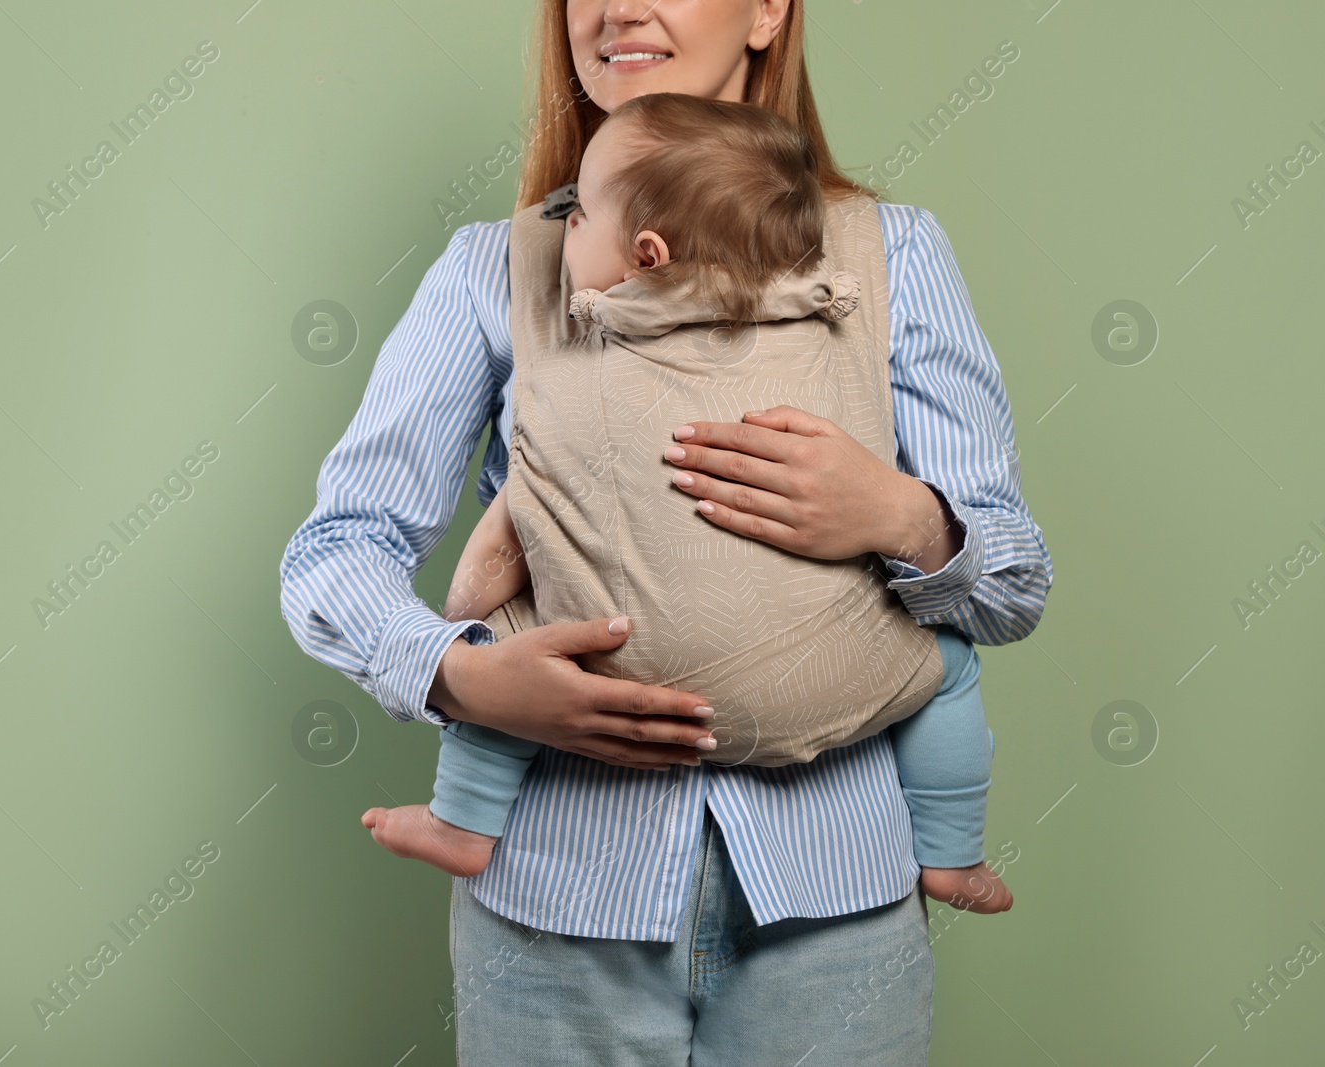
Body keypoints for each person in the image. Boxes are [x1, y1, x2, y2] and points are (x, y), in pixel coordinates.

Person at [279, 1, 1052, 1062]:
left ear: (769, 10)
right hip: (553, 905)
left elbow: (1011, 587)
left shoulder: (888, 256)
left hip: (838, 912)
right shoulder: (494, 269)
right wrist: (458, 676)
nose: (618, 7)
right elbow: (338, 546)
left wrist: (900, 516)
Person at [360, 91, 1012, 919]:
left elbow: (502, 549)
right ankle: (953, 854)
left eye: (577, 214)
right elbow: (350, 539)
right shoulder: (824, 296)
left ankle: (463, 821)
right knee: (947, 671)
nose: (561, 228)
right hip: (823, 685)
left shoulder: (575, 372)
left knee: (507, 634)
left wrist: (462, 657)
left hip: (609, 666)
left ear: (644, 253)